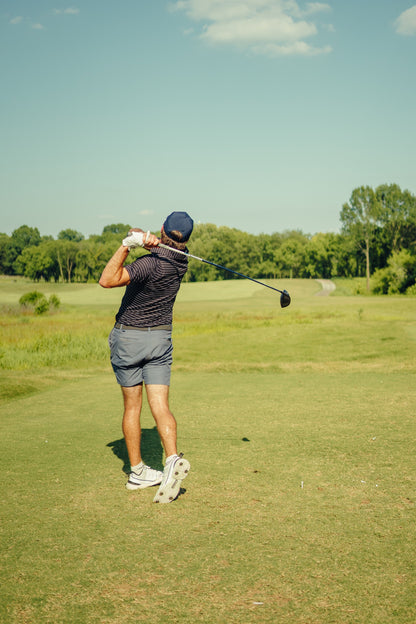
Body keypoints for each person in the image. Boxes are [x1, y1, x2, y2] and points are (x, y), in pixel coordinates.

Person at [99, 211, 193, 503]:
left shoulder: (147, 265)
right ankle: (171, 460)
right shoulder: (181, 261)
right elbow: (161, 245)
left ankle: (138, 471)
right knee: (160, 406)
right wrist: (140, 236)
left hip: (129, 339)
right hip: (160, 339)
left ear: (162, 228)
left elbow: (107, 280)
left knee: (132, 407)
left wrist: (128, 244)